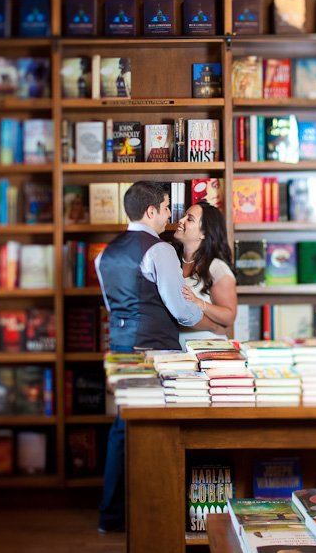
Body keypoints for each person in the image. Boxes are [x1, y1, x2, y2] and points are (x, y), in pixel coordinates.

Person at [94, 181, 216, 533]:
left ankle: (112, 515)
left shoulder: (105, 254)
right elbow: (180, 308)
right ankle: (160, 510)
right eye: (165, 208)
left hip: (120, 347)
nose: (169, 215)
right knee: (167, 429)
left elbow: (112, 305)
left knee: (124, 426)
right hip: (156, 351)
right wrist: (200, 316)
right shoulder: (159, 250)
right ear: (151, 212)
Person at [173, 201, 237, 345]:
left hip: (208, 347)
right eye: (183, 216)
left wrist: (198, 302)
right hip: (175, 347)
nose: (180, 220)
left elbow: (229, 316)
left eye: (189, 219)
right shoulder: (171, 260)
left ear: (204, 233)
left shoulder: (216, 267)